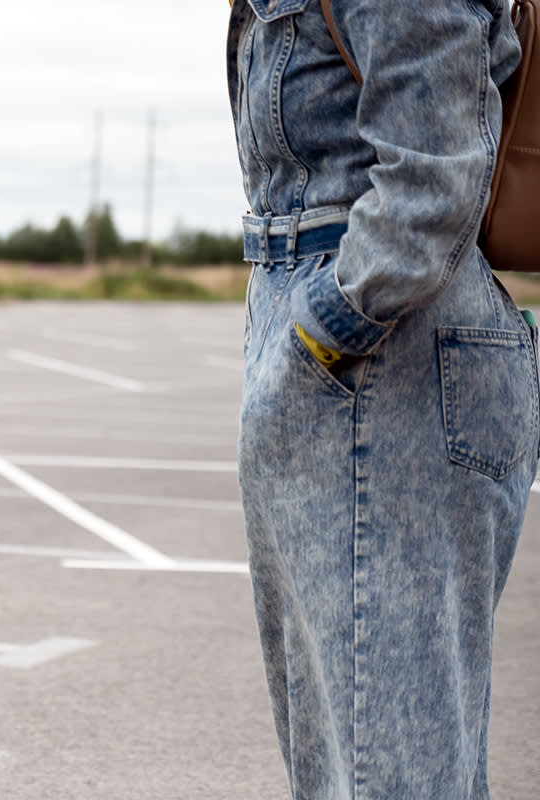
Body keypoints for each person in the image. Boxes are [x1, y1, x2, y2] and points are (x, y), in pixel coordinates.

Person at [226, 1, 534, 797]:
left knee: (384, 773)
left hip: (378, 344)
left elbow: (431, 178)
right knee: (357, 761)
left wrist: (321, 335)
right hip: (345, 333)